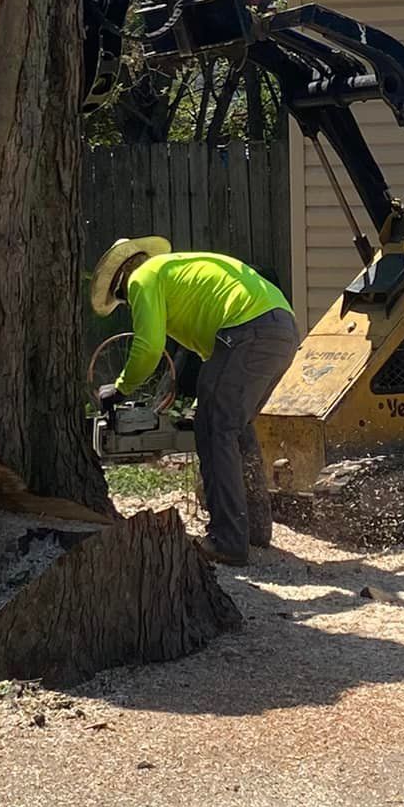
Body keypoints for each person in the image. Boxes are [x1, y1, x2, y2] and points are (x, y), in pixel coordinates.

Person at [91, 236, 298, 566]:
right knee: (234, 428)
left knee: (216, 429)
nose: (131, 305)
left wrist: (120, 389)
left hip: (248, 331)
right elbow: (203, 347)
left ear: (122, 282)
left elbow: (147, 347)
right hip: (280, 328)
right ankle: (254, 530)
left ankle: (228, 541)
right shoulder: (174, 272)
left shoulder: (144, 279)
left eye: (126, 301)